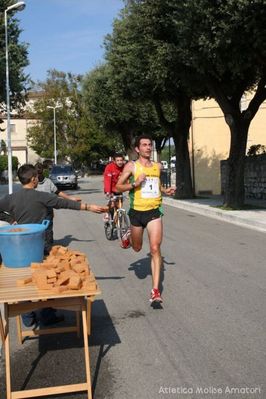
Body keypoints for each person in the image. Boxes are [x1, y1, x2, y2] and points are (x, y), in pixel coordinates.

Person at [0, 164, 107, 326]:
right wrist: (89, 207)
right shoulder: (41, 196)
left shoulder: (11, 198)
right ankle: (47, 314)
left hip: (20, 246)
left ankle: (27, 316)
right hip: (42, 244)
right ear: (34, 179)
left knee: (25, 276)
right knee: (48, 276)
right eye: (37, 176)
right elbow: (65, 204)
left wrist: (10, 220)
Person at [116, 135, 176, 304]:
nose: (148, 147)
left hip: (154, 212)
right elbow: (118, 186)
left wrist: (166, 191)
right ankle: (128, 237)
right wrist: (135, 184)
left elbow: (156, 185)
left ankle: (155, 291)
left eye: (150, 145)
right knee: (137, 248)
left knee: (155, 248)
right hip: (136, 213)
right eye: (144, 145)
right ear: (137, 149)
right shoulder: (132, 166)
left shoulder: (157, 166)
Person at [35, 162, 81, 251]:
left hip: (47, 211)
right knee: (38, 231)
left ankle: (48, 249)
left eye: (39, 173)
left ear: (43, 171)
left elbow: (57, 192)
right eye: (36, 173)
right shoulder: (32, 183)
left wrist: (70, 198)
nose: (38, 175)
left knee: (48, 230)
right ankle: (40, 247)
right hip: (36, 212)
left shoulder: (48, 182)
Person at [103, 153, 125, 220]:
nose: (120, 162)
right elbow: (107, 180)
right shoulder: (109, 167)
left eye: (121, 160)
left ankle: (119, 224)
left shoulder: (125, 167)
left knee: (119, 205)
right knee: (112, 204)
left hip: (119, 189)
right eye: (118, 160)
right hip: (110, 189)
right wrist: (108, 192)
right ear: (114, 161)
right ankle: (107, 212)